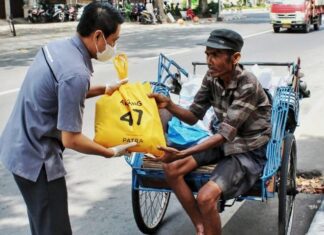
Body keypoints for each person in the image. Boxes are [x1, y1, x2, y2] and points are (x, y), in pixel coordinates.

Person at [0, 2, 136, 235]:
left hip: (17, 145)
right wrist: (111, 151)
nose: (114, 46)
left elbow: (60, 91)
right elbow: (71, 139)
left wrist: (105, 89)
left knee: (43, 226)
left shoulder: (57, 48)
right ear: (98, 36)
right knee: (55, 230)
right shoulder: (76, 73)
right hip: (37, 160)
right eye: (114, 40)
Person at [149, 29, 272, 235]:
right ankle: (201, 226)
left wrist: (183, 153)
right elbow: (193, 115)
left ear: (235, 58)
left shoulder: (248, 83)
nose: (209, 60)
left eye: (215, 55)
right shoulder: (212, 77)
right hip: (221, 143)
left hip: (248, 149)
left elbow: (224, 134)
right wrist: (169, 104)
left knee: (206, 197)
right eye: (207, 54)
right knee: (171, 169)